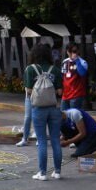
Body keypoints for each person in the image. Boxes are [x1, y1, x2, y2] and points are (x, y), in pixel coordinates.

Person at [24, 43, 64, 180]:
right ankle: (57, 171)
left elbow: (29, 91)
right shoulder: (56, 70)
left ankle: (42, 173)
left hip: (38, 109)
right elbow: (60, 91)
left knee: (41, 141)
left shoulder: (30, 69)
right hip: (54, 108)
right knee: (55, 140)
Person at [60, 44, 88, 111]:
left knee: (74, 116)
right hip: (65, 94)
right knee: (63, 115)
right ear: (67, 52)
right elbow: (62, 76)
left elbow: (82, 73)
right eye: (70, 51)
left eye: (74, 51)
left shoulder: (82, 62)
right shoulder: (65, 62)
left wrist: (76, 60)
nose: (72, 53)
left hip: (76, 94)